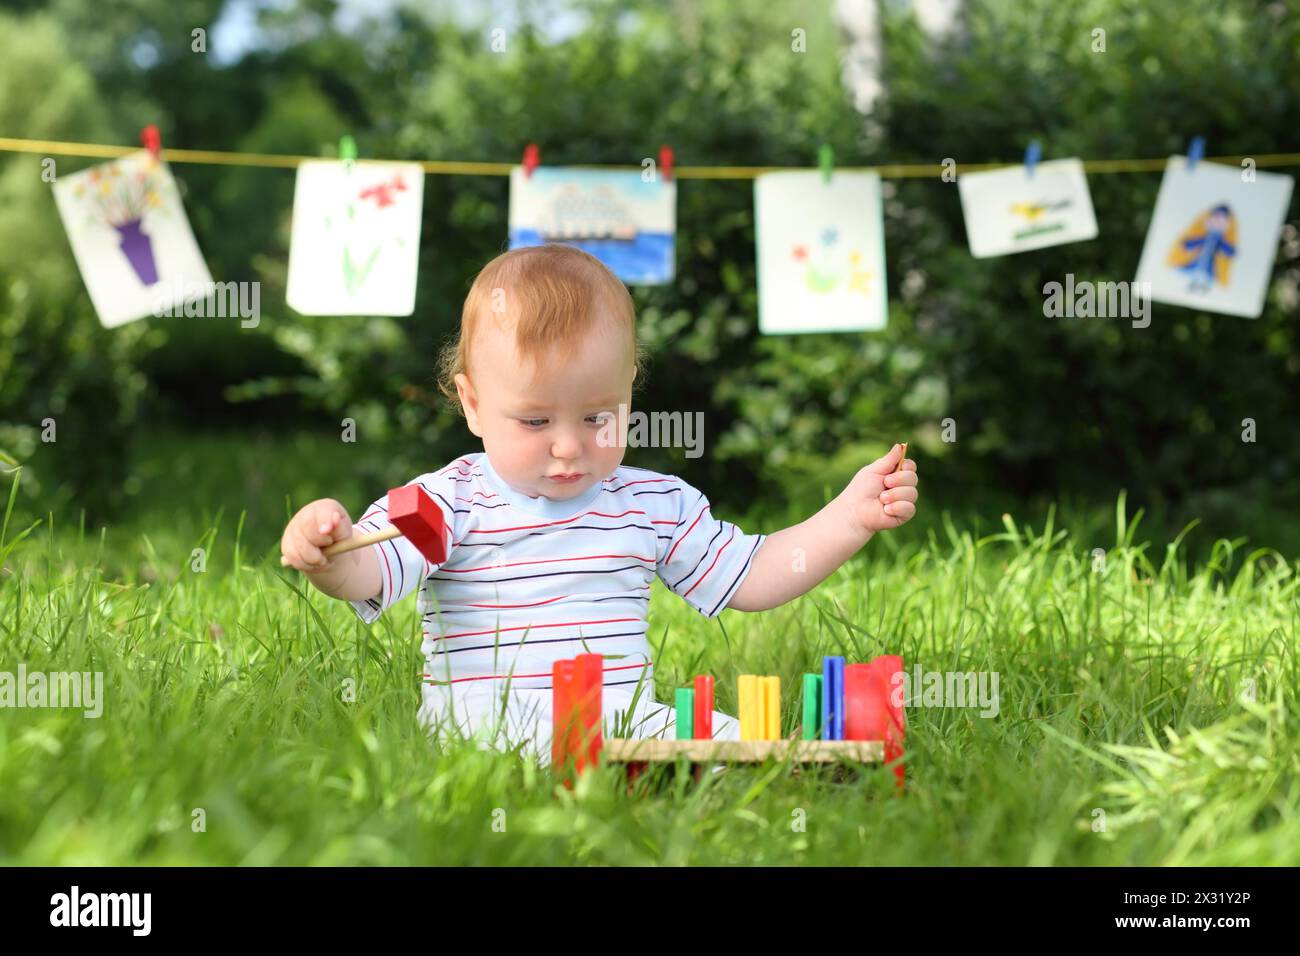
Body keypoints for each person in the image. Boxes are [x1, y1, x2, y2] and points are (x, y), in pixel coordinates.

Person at [279, 244, 919, 765]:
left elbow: (754, 576)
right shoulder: (447, 501)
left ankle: (745, 769)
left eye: (596, 416)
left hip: (621, 716)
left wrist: (848, 515)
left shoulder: (651, 503)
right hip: (486, 724)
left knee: (729, 741)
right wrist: (326, 555)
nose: (568, 447)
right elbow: (370, 572)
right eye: (534, 421)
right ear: (472, 404)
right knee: (569, 750)